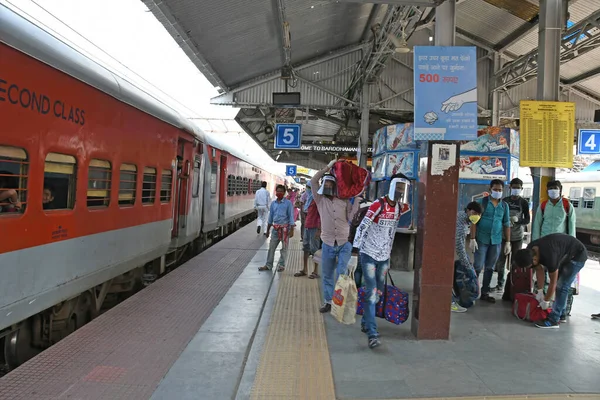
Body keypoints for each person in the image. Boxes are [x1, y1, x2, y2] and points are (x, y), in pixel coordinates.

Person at [353, 174, 410, 349]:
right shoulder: (379, 205)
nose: (400, 191)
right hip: (368, 255)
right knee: (371, 293)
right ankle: (372, 333)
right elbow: (363, 225)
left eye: (403, 188)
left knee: (378, 294)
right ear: (391, 187)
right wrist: (355, 251)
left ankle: (365, 320)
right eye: (398, 187)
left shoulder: (401, 207)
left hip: (384, 257)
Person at [311, 159, 361, 314]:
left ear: (334, 186)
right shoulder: (319, 200)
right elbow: (313, 181)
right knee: (326, 274)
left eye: (330, 184)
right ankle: (328, 302)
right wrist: (328, 166)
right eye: (325, 184)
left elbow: (351, 218)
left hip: (344, 242)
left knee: (341, 273)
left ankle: (341, 301)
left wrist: (358, 201)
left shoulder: (344, 201)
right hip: (327, 243)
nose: (326, 186)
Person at [513, 233, 587, 329]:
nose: (530, 268)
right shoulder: (530, 250)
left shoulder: (550, 257)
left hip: (577, 256)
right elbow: (539, 269)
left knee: (561, 286)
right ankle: (562, 314)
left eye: (530, 266)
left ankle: (553, 320)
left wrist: (546, 301)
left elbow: (553, 282)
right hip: (565, 254)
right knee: (561, 286)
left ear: (534, 259)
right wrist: (540, 291)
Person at [531, 180, 577, 322]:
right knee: (541, 275)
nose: (553, 191)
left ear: (560, 189)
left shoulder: (567, 205)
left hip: (561, 249)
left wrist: (571, 250)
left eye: (555, 188)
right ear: (547, 191)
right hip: (543, 247)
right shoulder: (543, 205)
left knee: (561, 281)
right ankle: (543, 302)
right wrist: (535, 246)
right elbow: (537, 225)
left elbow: (571, 226)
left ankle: (562, 310)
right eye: (550, 188)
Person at [470, 179, 511, 303]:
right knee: (477, 266)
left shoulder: (504, 206)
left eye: (500, 190)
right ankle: (472, 291)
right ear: (490, 189)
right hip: (481, 239)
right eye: (495, 189)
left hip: (496, 241)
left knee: (490, 268)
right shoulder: (481, 203)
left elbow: (506, 224)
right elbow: (474, 221)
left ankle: (485, 292)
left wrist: (508, 242)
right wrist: (472, 238)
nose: (498, 192)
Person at [493, 178, 530, 292]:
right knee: (500, 261)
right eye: (514, 187)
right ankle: (500, 284)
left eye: (518, 188)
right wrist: (506, 220)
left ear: (521, 189)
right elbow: (498, 216)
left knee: (516, 262)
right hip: (503, 236)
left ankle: (513, 285)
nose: (516, 189)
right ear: (510, 188)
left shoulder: (523, 202)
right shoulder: (504, 201)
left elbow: (527, 220)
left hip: (517, 237)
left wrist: (517, 221)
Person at [452, 201, 484, 313]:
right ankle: (450, 303)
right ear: (468, 210)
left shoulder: (465, 219)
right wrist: (468, 267)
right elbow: (459, 247)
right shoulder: (460, 222)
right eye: (474, 212)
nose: (476, 216)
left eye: (478, 214)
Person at [259, 185, 295, 272]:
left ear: (284, 193)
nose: (279, 193)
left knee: (284, 249)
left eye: (281, 191)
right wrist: (267, 231)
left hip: (285, 229)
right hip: (275, 229)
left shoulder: (288, 203)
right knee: (271, 247)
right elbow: (270, 218)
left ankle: (281, 265)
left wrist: (292, 230)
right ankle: (268, 265)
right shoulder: (273, 204)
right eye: (278, 191)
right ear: (276, 192)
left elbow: (291, 217)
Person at [295, 181, 321, 279]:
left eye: (310, 187)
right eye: (307, 187)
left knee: (315, 249)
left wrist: (319, 229)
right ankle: (304, 269)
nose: (308, 189)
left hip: (315, 227)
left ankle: (315, 271)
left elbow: (320, 215)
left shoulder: (317, 199)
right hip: (307, 226)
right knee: (305, 247)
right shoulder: (308, 199)